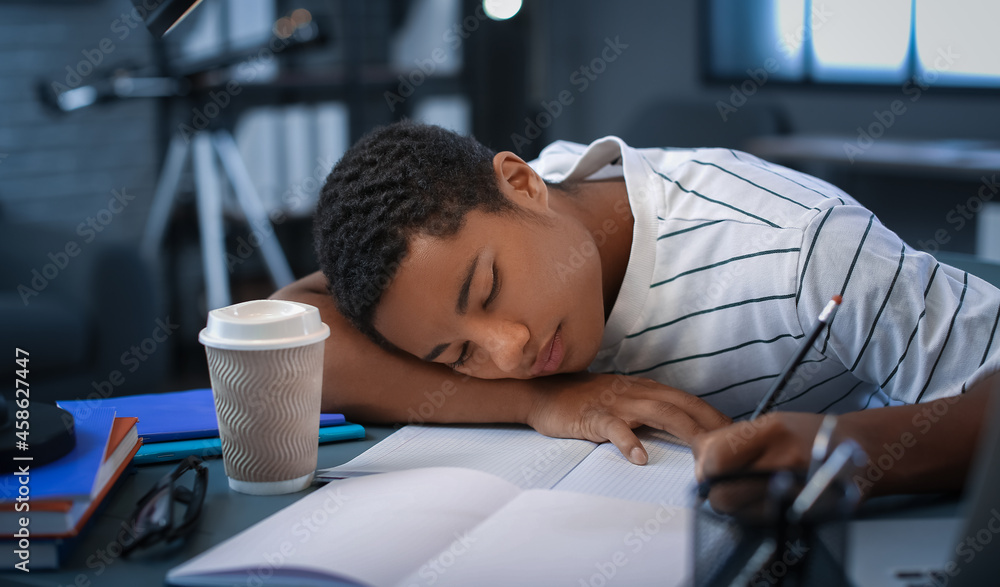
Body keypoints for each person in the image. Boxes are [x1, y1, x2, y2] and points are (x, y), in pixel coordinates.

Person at [274, 120, 999, 498]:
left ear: (523, 183)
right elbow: (289, 327)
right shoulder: (447, 249)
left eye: (488, 290)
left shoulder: (804, 249)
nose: (509, 349)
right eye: (458, 355)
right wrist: (538, 401)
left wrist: (844, 453)